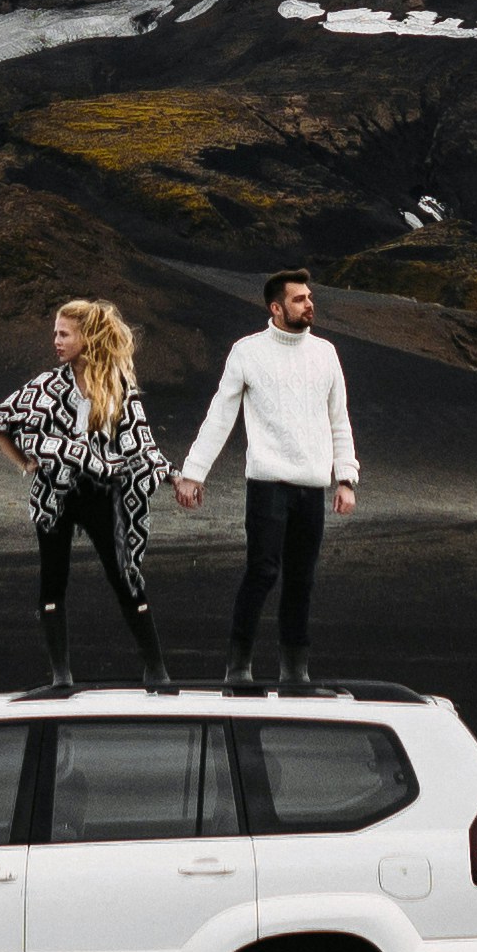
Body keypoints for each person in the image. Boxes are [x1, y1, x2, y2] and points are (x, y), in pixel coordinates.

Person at [171, 269, 357, 695]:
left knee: (301, 578)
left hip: (311, 485)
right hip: (268, 483)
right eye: (299, 299)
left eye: (310, 297)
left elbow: (339, 419)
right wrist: (193, 472)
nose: (309, 304)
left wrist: (345, 478)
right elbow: (221, 414)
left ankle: (295, 674)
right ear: (276, 308)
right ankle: (238, 669)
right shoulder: (248, 352)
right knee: (262, 571)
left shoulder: (326, 353)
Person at [0, 297, 172, 695]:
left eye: (64, 333)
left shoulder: (118, 385)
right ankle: (61, 677)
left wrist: (172, 476)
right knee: (52, 580)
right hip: (56, 494)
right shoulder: (46, 385)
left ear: (86, 337)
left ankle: (156, 671)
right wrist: (26, 464)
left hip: (103, 494)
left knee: (125, 575)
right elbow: (1, 422)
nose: (56, 340)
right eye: (55, 333)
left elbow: (142, 443)